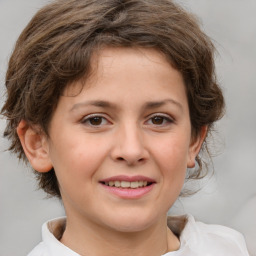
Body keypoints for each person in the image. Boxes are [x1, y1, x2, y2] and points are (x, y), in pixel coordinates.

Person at [0, 0, 250, 255]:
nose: (131, 150)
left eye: (158, 119)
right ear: (37, 144)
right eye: (95, 120)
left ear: (194, 140)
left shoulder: (230, 248)